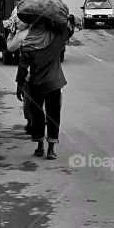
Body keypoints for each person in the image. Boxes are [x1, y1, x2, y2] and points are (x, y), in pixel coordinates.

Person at [16, 18, 67, 161]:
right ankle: (51, 150)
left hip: (36, 84)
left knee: (37, 115)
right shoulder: (56, 39)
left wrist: (19, 85)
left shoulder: (28, 43)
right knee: (53, 115)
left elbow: (23, 68)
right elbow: (66, 27)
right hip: (54, 83)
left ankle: (40, 147)